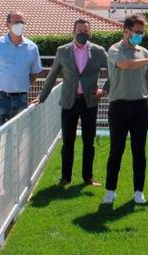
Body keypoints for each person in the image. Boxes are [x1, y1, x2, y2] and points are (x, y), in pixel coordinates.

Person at [102, 14, 148, 205]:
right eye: (137, 32)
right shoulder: (115, 50)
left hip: (141, 106)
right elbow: (126, 65)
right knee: (116, 150)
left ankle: (139, 191)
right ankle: (110, 191)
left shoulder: (144, 52)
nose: (140, 35)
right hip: (119, 106)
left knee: (139, 151)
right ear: (126, 30)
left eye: (142, 32)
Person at [0, 11, 43, 200]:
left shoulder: (31, 48)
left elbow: (34, 73)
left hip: (20, 100)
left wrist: (22, 87)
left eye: (22, 21)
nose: (19, 25)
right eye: (16, 22)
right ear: (7, 24)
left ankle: (11, 188)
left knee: (15, 145)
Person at [35, 19, 107, 187]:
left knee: (89, 141)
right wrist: (41, 97)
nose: (83, 33)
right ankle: (65, 178)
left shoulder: (99, 51)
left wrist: (104, 90)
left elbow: (114, 71)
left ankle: (88, 177)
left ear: (90, 33)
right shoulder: (63, 51)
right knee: (68, 141)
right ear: (73, 32)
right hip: (69, 101)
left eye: (86, 31)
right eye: (80, 30)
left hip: (90, 102)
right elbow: (52, 75)